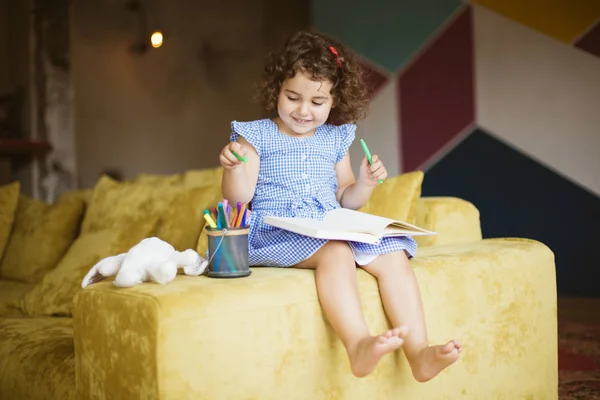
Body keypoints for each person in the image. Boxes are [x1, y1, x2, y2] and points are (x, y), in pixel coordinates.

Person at [219, 29, 461, 380]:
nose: (303, 111)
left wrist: (363, 183)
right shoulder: (255, 135)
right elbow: (238, 200)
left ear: (334, 100)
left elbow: (346, 198)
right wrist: (234, 168)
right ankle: (359, 344)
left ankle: (419, 353)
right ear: (277, 90)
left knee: (393, 254)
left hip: (327, 221)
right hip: (275, 230)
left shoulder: (336, 137)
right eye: (292, 97)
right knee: (336, 251)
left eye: (317, 102)